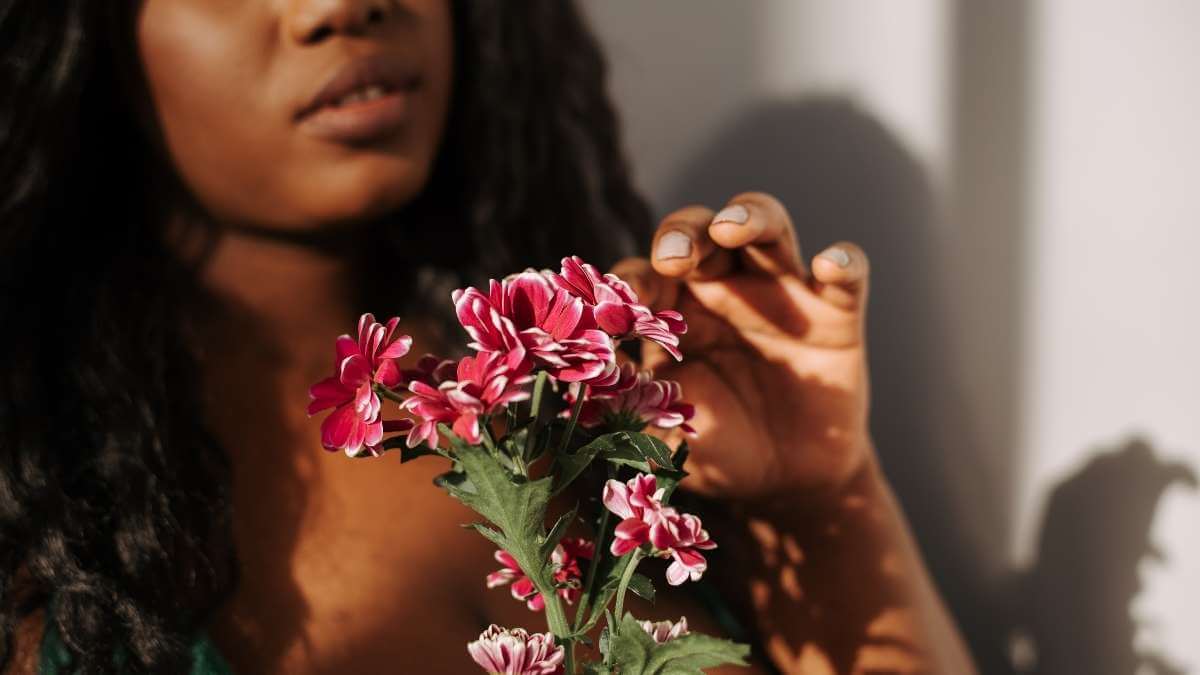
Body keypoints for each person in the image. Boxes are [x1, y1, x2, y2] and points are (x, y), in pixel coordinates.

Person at [0, 1, 976, 672]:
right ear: (89, 38)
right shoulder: (33, 477)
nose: (340, 5)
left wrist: (823, 500)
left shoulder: (623, 396)